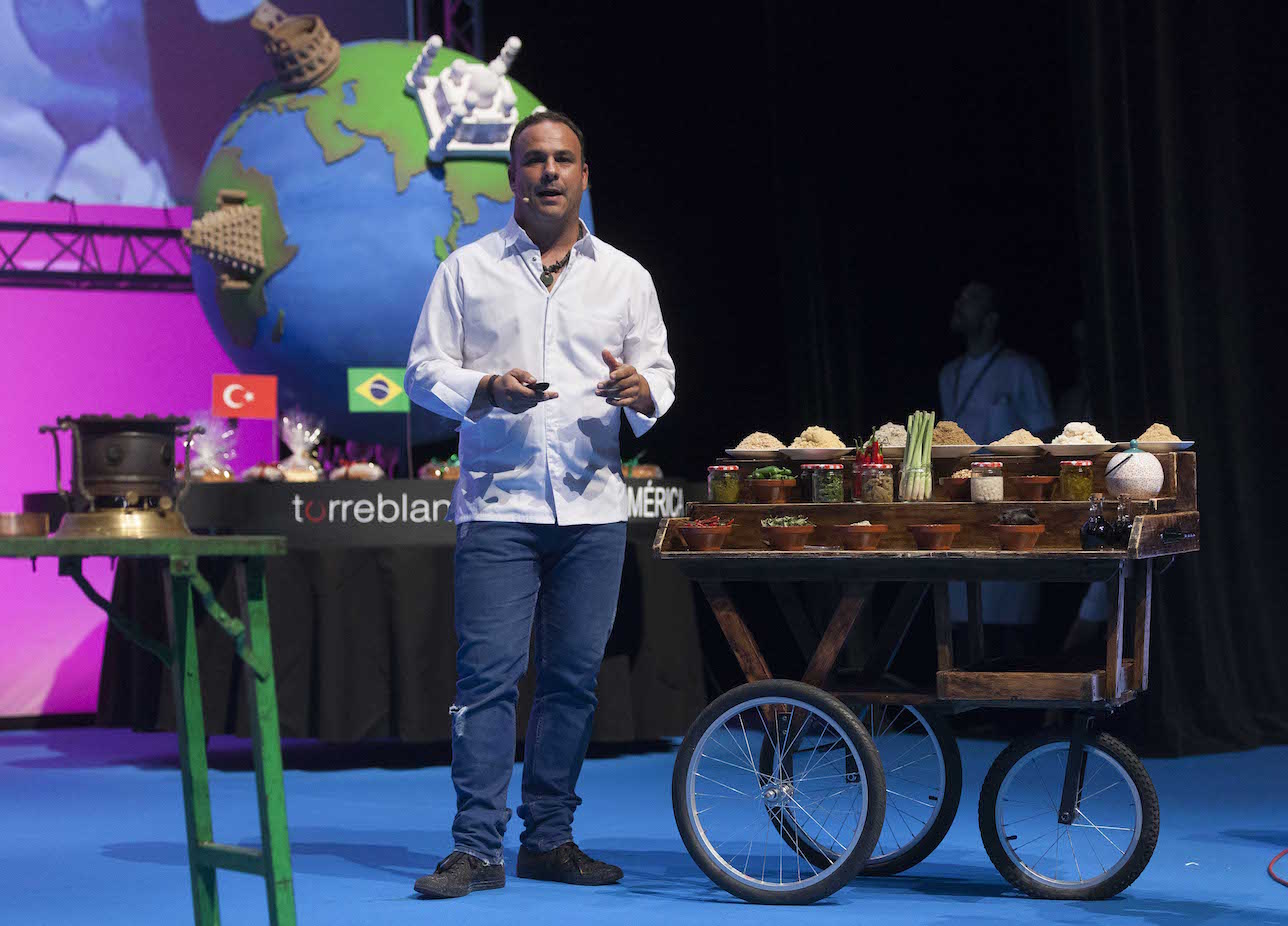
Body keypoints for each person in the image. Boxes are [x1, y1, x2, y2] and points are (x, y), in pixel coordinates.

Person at [404, 111, 676, 899]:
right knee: (486, 680)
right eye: (533, 160)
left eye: (564, 159)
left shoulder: (626, 276)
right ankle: (476, 849)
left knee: (572, 682)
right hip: (499, 504)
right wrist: (483, 388)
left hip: (591, 507)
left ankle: (549, 840)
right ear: (511, 177)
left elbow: (658, 374)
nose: (548, 171)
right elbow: (424, 370)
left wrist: (641, 390)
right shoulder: (467, 270)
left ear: (585, 174)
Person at [938, 281, 1056, 646]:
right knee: (960, 631)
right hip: (961, 510)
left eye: (970, 299)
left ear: (991, 318)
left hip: (1010, 515)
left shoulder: (1021, 370)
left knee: (1010, 634)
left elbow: (1044, 439)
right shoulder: (949, 374)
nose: (959, 303)